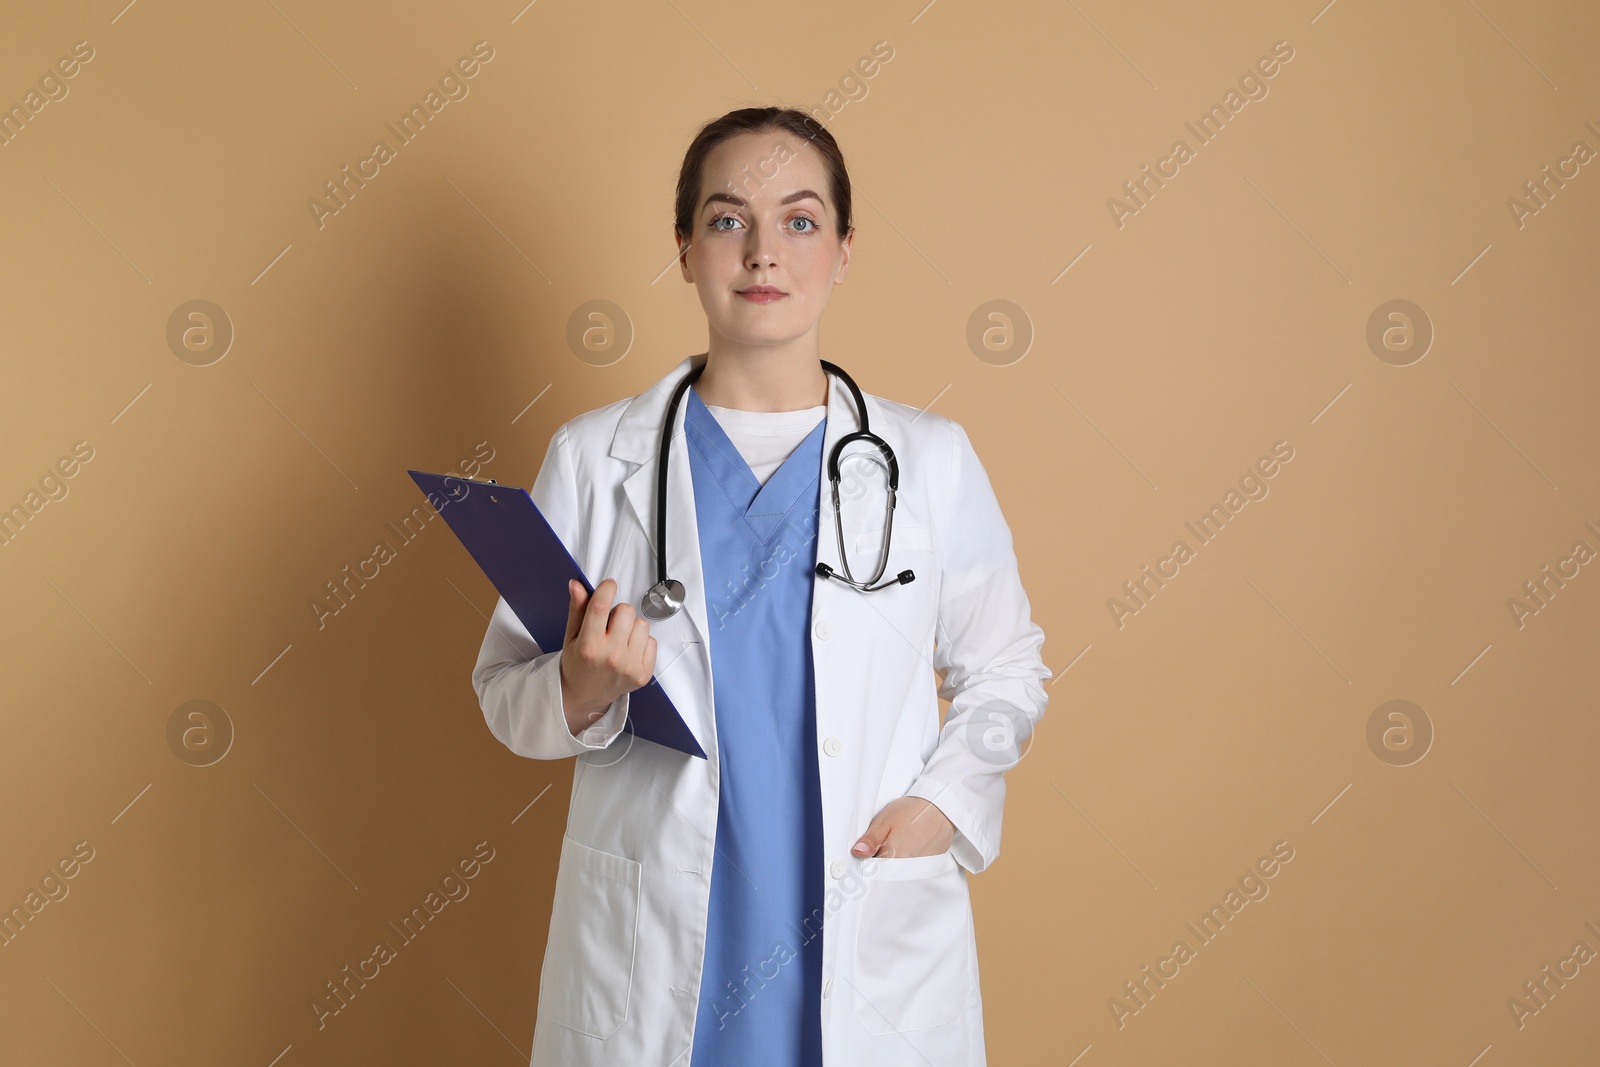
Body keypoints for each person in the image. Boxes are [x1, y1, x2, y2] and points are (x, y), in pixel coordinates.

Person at [471, 106, 1049, 1067]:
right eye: (729, 220)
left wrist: (943, 803)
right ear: (686, 250)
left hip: (861, 919)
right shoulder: (592, 457)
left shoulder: (929, 461)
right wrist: (584, 687)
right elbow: (504, 698)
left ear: (844, 249)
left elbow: (1007, 669)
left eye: (801, 220)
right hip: (656, 941)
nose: (763, 254)